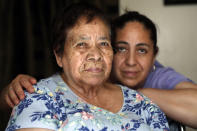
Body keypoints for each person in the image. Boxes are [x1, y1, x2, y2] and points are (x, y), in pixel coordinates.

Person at [2, 9, 197, 128]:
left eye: (142, 50)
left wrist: (138, 96)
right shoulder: (75, 78)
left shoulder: (157, 78)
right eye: (121, 48)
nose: (131, 61)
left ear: (154, 55)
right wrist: (9, 93)